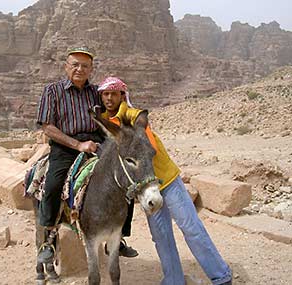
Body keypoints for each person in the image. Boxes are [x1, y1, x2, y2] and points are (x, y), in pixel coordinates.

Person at [97, 76, 232, 285]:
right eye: (105, 94)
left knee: (191, 227)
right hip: (145, 187)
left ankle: (221, 276)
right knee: (161, 236)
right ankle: (173, 280)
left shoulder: (132, 116)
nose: (109, 98)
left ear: (122, 95)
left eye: (113, 94)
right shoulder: (105, 122)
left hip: (166, 180)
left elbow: (150, 147)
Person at [35, 48, 137, 264]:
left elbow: (112, 112)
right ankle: (49, 240)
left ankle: (120, 238)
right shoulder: (52, 91)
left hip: (95, 142)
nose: (80, 69)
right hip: (65, 145)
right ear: (66, 66)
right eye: (75, 64)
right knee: (53, 185)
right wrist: (77, 144)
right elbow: (47, 127)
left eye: (85, 66)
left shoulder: (95, 92)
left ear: (91, 69)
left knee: (126, 178)